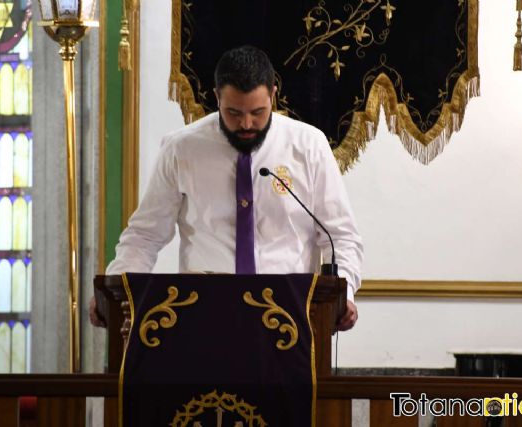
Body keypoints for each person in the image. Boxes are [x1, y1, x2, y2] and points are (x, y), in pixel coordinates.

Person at [90, 45, 363, 330]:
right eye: (233, 112)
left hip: (291, 314)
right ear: (217, 97)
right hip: (202, 313)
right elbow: (145, 235)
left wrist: (343, 295)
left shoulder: (309, 146)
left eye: (258, 111)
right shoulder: (181, 149)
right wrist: (113, 291)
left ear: (273, 94)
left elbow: (340, 236)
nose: (246, 123)